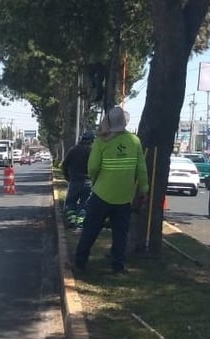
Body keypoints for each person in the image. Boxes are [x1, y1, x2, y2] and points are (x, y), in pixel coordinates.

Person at [74, 106, 149, 275]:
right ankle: (118, 267)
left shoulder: (101, 141)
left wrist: (96, 181)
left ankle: (80, 262)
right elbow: (141, 168)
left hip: (101, 194)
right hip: (124, 197)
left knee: (90, 230)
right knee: (120, 234)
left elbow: (92, 167)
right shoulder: (135, 141)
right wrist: (144, 188)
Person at [61, 130, 94, 228]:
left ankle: (71, 220)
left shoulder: (73, 150)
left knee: (71, 202)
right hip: (88, 182)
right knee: (85, 203)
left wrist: (67, 177)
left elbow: (64, 164)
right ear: (92, 140)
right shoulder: (93, 151)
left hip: (74, 181)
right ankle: (80, 224)